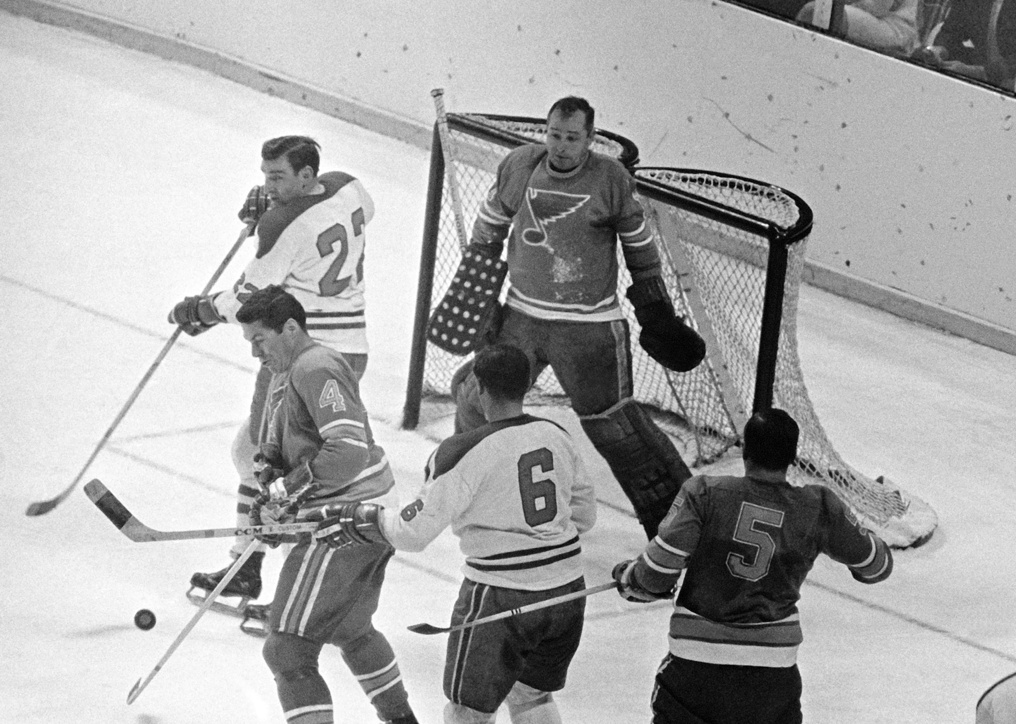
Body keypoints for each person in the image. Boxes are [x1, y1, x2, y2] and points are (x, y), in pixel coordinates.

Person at [450, 95, 705, 541]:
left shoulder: (610, 179)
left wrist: (654, 309)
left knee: (617, 430)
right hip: (522, 318)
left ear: (590, 138)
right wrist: (479, 292)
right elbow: (488, 230)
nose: (561, 146)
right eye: (554, 135)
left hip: (588, 328)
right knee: (476, 397)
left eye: (572, 137)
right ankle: (471, 494)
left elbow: (640, 249)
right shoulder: (520, 166)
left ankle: (681, 528)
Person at [313, 343, 598, 724]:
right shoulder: (556, 434)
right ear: (528, 385)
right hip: (567, 592)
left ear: (477, 387)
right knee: (532, 696)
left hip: (500, 597)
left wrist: (363, 516)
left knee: (468, 711)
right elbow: (585, 515)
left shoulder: (463, 452)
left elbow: (412, 533)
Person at [167, 135, 376, 609]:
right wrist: (276, 204)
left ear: (306, 175)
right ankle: (254, 561)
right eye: (265, 175)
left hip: (299, 355)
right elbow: (331, 217)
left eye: (277, 177)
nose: (268, 185)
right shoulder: (351, 187)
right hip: (351, 350)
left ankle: (256, 569)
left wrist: (202, 308)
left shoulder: (282, 226)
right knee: (256, 453)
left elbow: (249, 299)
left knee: (267, 461)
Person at [612, 408, 893, 723]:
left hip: (695, 668)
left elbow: (655, 576)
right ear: (792, 456)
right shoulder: (819, 506)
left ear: (745, 450)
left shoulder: (704, 492)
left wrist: (629, 577)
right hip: (771, 677)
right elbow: (877, 567)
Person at [235, 285, 418, 724]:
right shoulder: (290, 369)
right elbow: (288, 449)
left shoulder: (316, 366)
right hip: (358, 511)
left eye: (260, 340)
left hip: (347, 517)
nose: (255, 352)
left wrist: (286, 493)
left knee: (287, 649)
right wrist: (270, 484)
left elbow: (348, 449)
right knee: (351, 630)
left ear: (291, 328)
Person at [797, 0, 920, 56]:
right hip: (871, 14)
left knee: (815, 13)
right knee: (816, 11)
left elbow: (878, 7)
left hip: (894, 26)